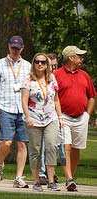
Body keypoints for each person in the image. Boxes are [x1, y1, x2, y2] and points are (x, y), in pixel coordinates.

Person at [0, 36, 31, 188]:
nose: (15, 51)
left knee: (22, 144)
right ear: (8, 47)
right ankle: (0, 164)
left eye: (18, 48)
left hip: (23, 109)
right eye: (13, 48)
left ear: (22, 48)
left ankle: (18, 177)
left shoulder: (27, 66)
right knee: (6, 141)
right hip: (5, 107)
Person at [54, 45, 96, 192]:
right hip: (63, 116)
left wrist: (87, 115)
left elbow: (91, 97)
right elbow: (53, 97)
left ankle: (69, 178)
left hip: (81, 118)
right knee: (66, 146)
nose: (81, 58)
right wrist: (57, 115)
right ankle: (70, 179)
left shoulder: (84, 75)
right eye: (79, 56)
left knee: (76, 148)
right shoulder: (56, 75)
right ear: (71, 57)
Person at [21, 53, 62, 192]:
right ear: (33, 64)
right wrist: (28, 117)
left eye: (43, 62)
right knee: (36, 150)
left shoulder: (52, 78)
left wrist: (60, 117)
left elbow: (56, 100)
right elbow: (24, 101)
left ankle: (51, 181)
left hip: (51, 117)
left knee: (51, 146)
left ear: (47, 65)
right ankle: (37, 181)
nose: (40, 64)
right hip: (34, 118)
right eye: (37, 62)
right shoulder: (28, 79)